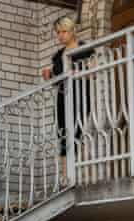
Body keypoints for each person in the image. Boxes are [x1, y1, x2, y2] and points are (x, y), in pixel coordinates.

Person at [41, 16, 94, 174]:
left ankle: (81, 172)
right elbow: (56, 81)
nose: (61, 35)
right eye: (58, 32)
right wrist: (49, 75)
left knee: (77, 132)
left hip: (80, 95)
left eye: (64, 31)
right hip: (62, 99)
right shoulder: (58, 56)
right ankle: (66, 176)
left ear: (72, 31)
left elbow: (94, 73)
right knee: (63, 134)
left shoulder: (84, 48)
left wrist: (79, 71)